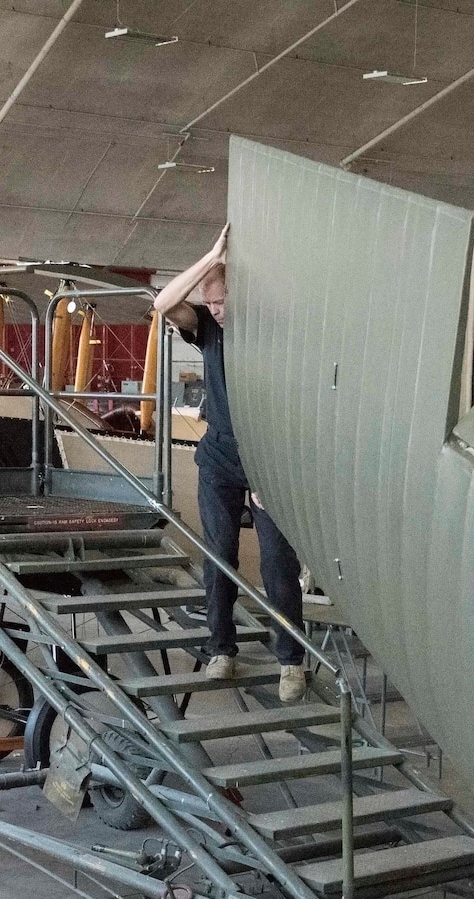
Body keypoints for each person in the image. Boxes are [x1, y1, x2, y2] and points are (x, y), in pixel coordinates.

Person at [153, 225, 310, 704]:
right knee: (218, 554)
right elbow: (163, 304)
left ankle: (291, 661)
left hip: (267, 457)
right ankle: (221, 649)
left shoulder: (274, 338)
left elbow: (292, 410)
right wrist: (210, 258)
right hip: (219, 456)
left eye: (222, 301)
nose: (216, 311)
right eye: (212, 303)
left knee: (277, 564)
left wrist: (270, 473)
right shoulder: (208, 330)